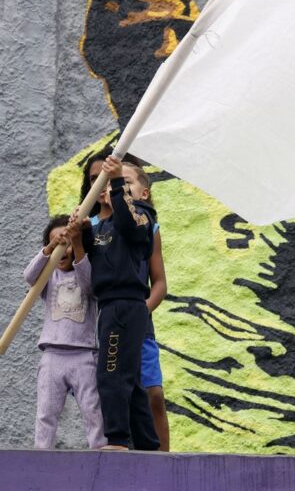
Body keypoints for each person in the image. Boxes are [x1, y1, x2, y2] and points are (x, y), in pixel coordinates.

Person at [82, 151, 171, 451]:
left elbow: (127, 219)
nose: (109, 186)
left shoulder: (140, 217)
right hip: (109, 306)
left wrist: (118, 182)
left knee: (112, 373)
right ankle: (147, 444)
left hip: (126, 305)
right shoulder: (97, 225)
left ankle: (118, 439)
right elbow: (84, 263)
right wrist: (74, 234)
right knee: (130, 381)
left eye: (120, 182)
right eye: (104, 182)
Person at [25, 213, 106, 449]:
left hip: (84, 355)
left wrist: (77, 244)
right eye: (57, 243)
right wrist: (50, 248)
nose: (63, 249)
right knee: (46, 413)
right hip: (52, 355)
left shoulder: (86, 271)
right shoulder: (48, 278)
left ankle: (99, 453)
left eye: (67, 244)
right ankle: (41, 455)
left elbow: (91, 286)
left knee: (93, 411)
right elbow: (29, 276)